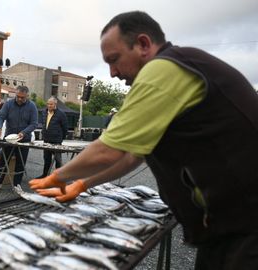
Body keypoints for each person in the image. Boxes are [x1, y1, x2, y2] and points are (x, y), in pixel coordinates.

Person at [29, 11, 258, 270]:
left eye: (114, 60)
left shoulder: (164, 69)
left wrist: (58, 176)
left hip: (246, 224)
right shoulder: (179, 66)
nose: (113, 72)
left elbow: (108, 150)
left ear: (144, 44)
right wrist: (82, 184)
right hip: (227, 227)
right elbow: (131, 156)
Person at [0, 85, 38, 192]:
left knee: (21, 162)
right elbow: (1, 117)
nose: (20, 99)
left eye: (22, 97)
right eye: (18, 96)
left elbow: (34, 123)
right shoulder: (8, 104)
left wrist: (24, 132)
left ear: (27, 96)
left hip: (24, 139)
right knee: (4, 160)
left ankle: (17, 184)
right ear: (15, 94)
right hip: (9, 138)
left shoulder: (32, 106)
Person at [36, 97, 68, 179]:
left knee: (58, 160)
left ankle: (59, 177)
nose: (49, 105)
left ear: (55, 104)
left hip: (56, 141)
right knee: (46, 159)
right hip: (46, 139)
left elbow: (65, 128)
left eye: (51, 104)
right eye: (48, 104)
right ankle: (45, 175)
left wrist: (61, 138)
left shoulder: (61, 114)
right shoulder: (44, 112)